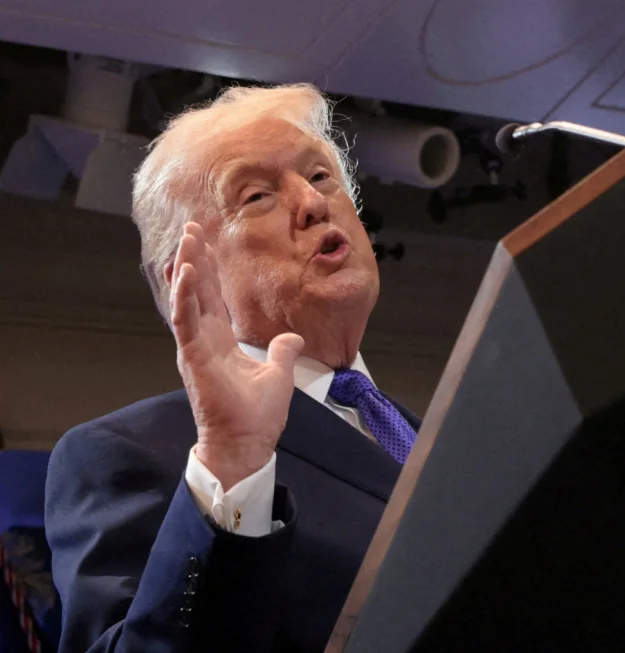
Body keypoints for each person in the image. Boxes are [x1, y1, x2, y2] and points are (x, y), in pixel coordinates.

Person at [44, 84, 421, 653]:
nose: (315, 203)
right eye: (256, 196)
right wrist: (234, 463)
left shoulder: (436, 435)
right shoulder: (127, 454)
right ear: (188, 279)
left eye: (320, 176)